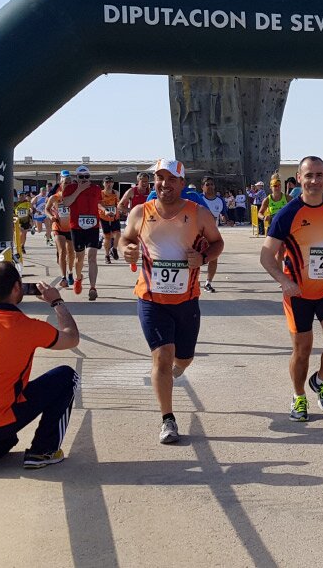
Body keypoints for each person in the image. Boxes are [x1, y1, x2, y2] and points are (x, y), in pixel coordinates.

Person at [119, 159, 225, 444]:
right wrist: (127, 250)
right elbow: (125, 239)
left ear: (181, 183)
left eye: (170, 179)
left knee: (184, 358)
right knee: (162, 356)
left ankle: (173, 371)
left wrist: (203, 258)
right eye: (159, 178)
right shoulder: (141, 212)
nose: (164, 184)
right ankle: (168, 419)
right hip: (151, 298)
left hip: (187, 299)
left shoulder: (199, 213)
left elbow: (218, 243)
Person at [0, 262, 81, 476]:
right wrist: (56, 302)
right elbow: (72, 338)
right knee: (67, 376)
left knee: (5, 443)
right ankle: (43, 451)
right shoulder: (28, 326)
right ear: (17, 288)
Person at [260, 157, 323, 422]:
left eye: (319, 175)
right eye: (309, 176)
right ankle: (299, 396)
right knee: (303, 350)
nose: (315, 181)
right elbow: (266, 255)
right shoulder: (288, 214)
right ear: (299, 179)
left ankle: (321, 380)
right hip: (298, 293)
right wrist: (283, 280)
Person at [59, 165, 103, 300]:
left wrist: (105, 211)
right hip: (77, 227)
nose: (84, 179)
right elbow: (66, 203)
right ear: (76, 178)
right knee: (79, 258)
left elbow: (98, 203)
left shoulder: (96, 189)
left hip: (93, 227)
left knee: (92, 257)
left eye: (86, 177)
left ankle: (92, 288)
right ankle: (78, 278)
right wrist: (79, 190)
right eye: (81, 177)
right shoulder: (70, 188)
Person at [45, 172, 74, 288]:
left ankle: (70, 272)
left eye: (69, 183)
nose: (67, 185)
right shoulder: (54, 197)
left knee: (71, 253)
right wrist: (51, 217)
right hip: (58, 226)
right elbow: (46, 209)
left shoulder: (74, 196)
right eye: (65, 183)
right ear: (61, 184)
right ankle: (63, 277)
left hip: (71, 228)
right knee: (62, 252)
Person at [201, 177, 227, 293]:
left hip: (212, 235)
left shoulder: (220, 200)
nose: (210, 186)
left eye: (211, 184)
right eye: (207, 184)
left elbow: (224, 215)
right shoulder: (197, 198)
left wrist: (225, 219)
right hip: (196, 235)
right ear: (202, 187)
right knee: (192, 258)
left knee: (213, 258)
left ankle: (208, 283)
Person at [99, 176, 121, 264]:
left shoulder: (116, 193)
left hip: (114, 216)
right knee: (107, 237)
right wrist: (106, 211)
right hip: (104, 217)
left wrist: (119, 211)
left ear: (113, 183)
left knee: (118, 234)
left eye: (110, 182)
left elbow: (117, 204)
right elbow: (98, 204)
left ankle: (114, 248)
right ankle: (107, 255)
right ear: (103, 183)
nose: (109, 184)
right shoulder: (100, 193)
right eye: (107, 182)